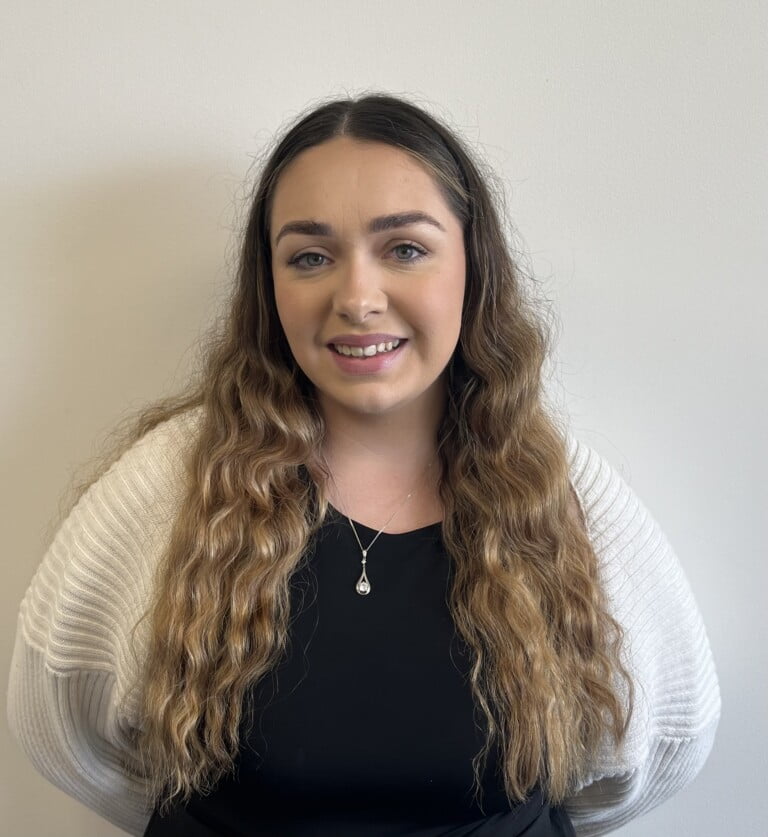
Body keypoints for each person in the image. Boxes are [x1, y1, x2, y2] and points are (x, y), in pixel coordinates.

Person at [7, 94, 720, 837]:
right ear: (269, 284)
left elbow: (660, 746)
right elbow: (62, 730)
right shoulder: (172, 485)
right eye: (310, 257)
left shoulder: (564, 493)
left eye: (404, 249)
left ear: (473, 265)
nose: (356, 298)